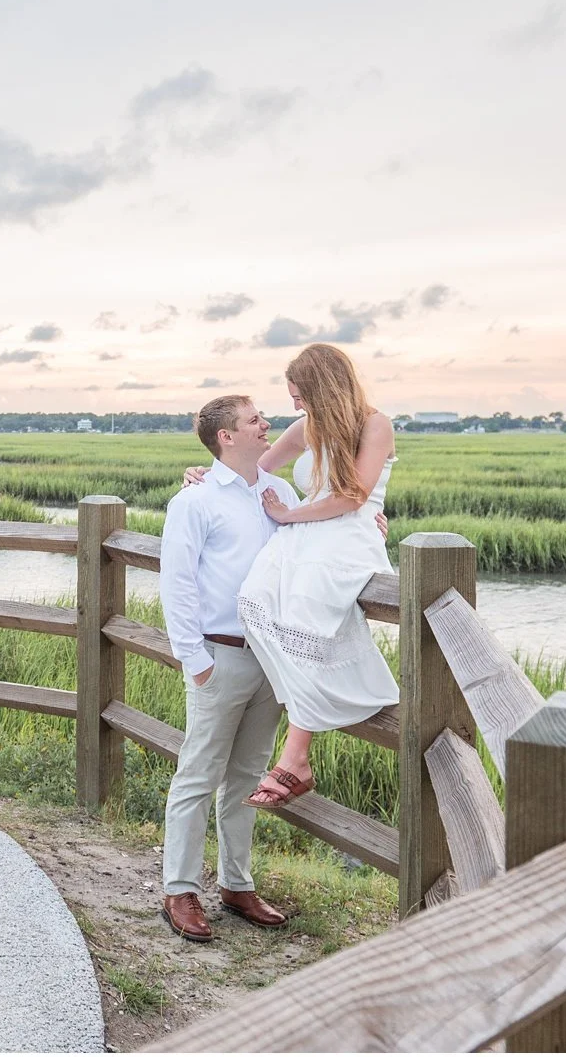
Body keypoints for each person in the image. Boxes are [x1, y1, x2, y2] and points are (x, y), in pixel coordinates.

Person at [155, 392, 385, 941]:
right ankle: (179, 890)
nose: (268, 426)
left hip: (272, 659)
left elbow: (317, 546)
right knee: (198, 773)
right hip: (220, 655)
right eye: (254, 420)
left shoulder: (280, 491)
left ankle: (237, 884)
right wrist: (195, 659)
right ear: (226, 438)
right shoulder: (196, 500)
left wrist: (367, 524)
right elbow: (178, 583)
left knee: (247, 773)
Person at [184, 343, 398, 810]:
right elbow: (253, 468)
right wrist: (205, 472)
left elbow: (352, 497)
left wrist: (287, 515)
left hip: (346, 534)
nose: (294, 406)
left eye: (299, 395)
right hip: (306, 532)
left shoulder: (375, 425)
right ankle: (299, 739)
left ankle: (296, 755)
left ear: (324, 386)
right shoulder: (309, 427)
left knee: (307, 611)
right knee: (256, 600)